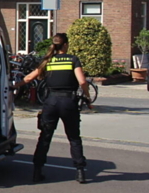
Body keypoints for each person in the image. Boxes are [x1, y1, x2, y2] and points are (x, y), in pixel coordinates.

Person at [14, 33, 92, 184]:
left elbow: (29, 78)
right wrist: (87, 97)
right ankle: (80, 171)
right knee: (74, 137)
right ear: (65, 45)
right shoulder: (73, 59)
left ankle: (37, 170)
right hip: (68, 102)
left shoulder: (47, 60)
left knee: (45, 136)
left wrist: (13, 86)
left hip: (51, 102)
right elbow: (82, 81)